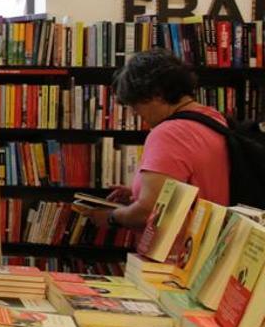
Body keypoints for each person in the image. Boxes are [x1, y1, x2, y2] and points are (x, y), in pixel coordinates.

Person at [75, 50, 229, 230]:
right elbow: (197, 185)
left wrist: (111, 217)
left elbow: (150, 213)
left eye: (135, 103)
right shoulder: (214, 118)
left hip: (180, 252)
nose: (134, 112)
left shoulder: (169, 133)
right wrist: (138, 192)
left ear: (156, 94)